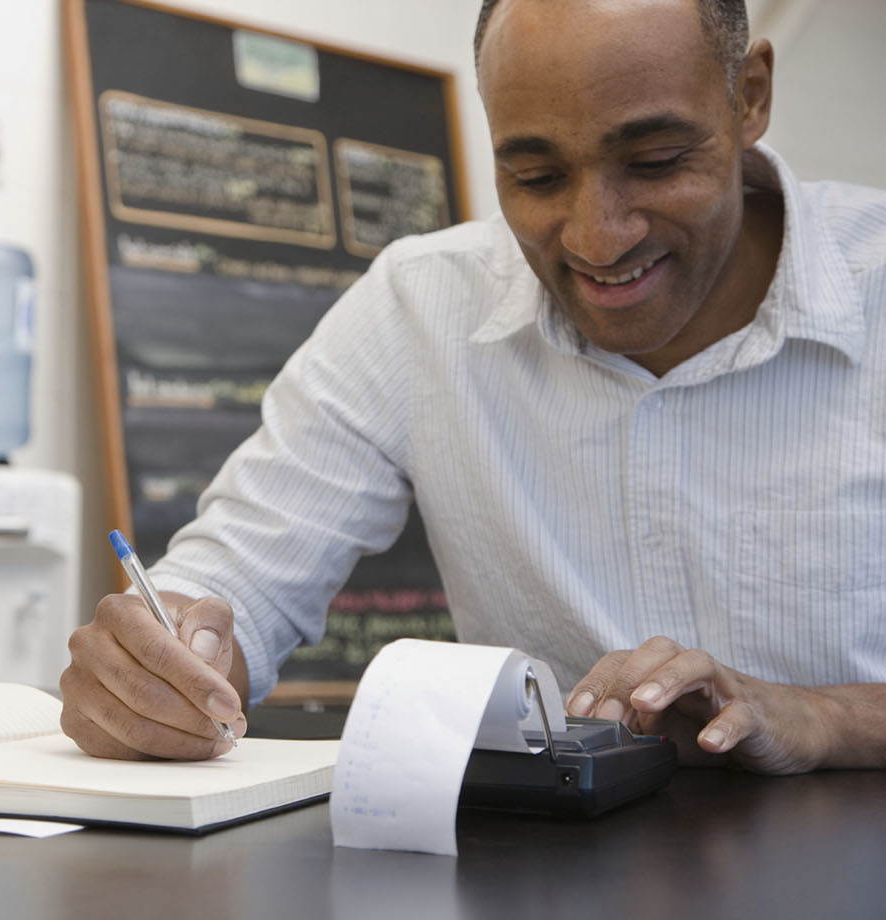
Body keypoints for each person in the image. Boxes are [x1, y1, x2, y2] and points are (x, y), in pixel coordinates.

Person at [60, 0, 886, 774]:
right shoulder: (422, 305)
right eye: (536, 177)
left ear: (749, 96)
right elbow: (240, 575)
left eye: (656, 162)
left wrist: (824, 717)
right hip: (540, 876)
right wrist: (164, 662)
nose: (599, 235)